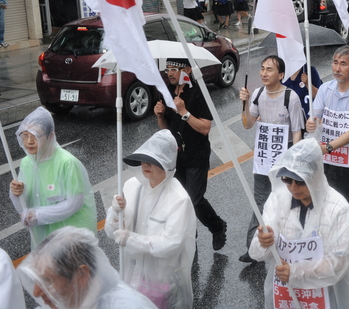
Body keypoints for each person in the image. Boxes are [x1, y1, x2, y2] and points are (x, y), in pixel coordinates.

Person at [248, 139, 349, 309]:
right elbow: (257, 254)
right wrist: (263, 242)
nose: (293, 187)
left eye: (300, 181)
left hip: (325, 296)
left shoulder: (338, 209)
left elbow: (339, 262)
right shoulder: (278, 200)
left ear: (315, 176)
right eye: (287, 180)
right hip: (285, 295)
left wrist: (295, 272)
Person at [105, 130, 196, 309]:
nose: (146, 164)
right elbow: (112, 231)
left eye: (154, 161)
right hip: (131, 274)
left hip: (161, 282)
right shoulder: (131, 186)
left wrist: (132, 239)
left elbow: (171, 243)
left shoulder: (179, 199)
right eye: (144, 159)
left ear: (167, 162)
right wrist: (116, 214)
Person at [154, 58, 228, 251]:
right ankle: (189, 234)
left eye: (174, 69)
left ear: (186, 69)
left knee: (194, 199)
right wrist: (160, 116)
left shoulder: (198, 91)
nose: (170, 73)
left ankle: (217, 226)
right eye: (167, 69)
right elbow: (166, 128)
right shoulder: (168, 92)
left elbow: (205, 128)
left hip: (197, 154)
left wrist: (184, 112)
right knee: (179, 199)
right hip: (176, 156)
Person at [306, 46, 349, 258]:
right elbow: (316, 118)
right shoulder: (325, 89)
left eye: (343, 64)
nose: (337, 68)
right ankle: (329, 245)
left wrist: (329, 146)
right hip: (328, 158)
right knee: (325, 202)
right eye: (335, 62)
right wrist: (311, 123)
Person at [238, 56, 305, 263]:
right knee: (260, 200)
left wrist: (292, 161)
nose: (264, 73)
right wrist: (246, 102)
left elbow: (297, 132)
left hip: (283, 157)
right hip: (263, 156)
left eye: (269, 70)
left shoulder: (290, 98)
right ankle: (253, 247)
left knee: (284, 200)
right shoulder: (258, 94)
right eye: (262, 69)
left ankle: (288, 243)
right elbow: (248, 124)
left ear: (281, 75)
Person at [9, 107, 97, 248]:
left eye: (35, 136)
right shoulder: (27, 163)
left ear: (50, 137)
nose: (29, 141)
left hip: (71, 237)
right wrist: (15, 192)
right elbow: (24, 204)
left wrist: (38, 215)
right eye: (25, 135)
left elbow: (75, 203)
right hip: (43, 236)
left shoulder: (67, 163)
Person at [17, 226, 157, 309]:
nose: (36, 292)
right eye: (36, 280)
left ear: (81, 275)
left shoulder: (130, 306)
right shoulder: (67, 303)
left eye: (46, 281)